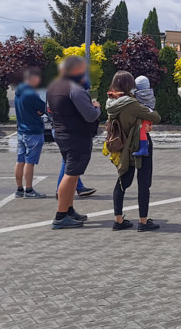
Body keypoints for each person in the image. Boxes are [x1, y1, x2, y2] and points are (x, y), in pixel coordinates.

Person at [47, 55, 100, 229]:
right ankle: (61, 215)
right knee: (70, 175)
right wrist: (97, 107)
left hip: (62, 133)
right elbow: (90, 115)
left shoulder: (53, 87)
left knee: (74, 174)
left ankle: (69, 209)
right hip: (76, 136)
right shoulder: (75, 89)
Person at [106, 71, 162, 231]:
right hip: (139, 145)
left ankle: (118, 219)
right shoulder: (132, 104)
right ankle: (143, 222)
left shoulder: (111, 102)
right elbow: (156, 117)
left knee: (122, 180)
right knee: (144, 183)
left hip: (121, 145)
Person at [13, 67, 48, 199]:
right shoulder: (31, 93)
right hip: (33, 130)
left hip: (21, 130)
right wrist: (39, 112)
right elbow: (43, 108)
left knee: (20, 160)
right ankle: (29, 189)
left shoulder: (19, 92)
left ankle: (19, 189)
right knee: (30, 161)